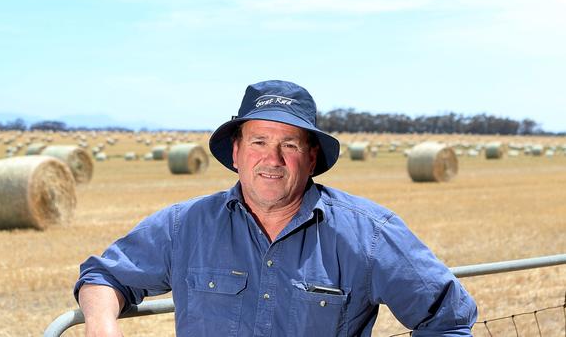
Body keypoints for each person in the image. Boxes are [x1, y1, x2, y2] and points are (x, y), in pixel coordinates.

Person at [75, 80, 477, 336]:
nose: (273, 159)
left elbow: (448, 320)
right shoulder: (185, 226)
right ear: (236, 152)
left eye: (289, 145)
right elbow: (104, 275)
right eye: (259, 142)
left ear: (312, 156)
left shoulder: (370, 234)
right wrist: (101, 325)